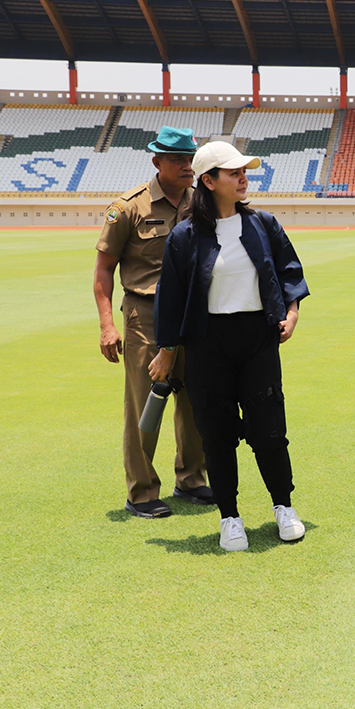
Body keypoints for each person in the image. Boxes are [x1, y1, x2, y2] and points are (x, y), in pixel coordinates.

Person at [151, 141, 309, 553]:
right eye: (233, 172)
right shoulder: (184, 236)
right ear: (209, 180)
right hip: (207, 344)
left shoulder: (263, 223)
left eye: (245, 171)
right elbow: (170, 298)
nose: (244, 177)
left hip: (258, 338)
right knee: (217, 436)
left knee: (270, 431)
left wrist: (291, 311)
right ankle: (230, 517)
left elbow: (290, 271)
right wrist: (167, 350)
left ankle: (283, 506)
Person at [94, 126, 211, 519]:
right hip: (145, 315)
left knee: (196, 401)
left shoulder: (204, 204)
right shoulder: (128, 207)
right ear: (157, 161)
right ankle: (142, 491)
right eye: (178, 159)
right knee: (146, 404)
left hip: (194, 314)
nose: (187, 166)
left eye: (190, 159)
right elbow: (103, 271)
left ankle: (191, 478)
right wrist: (108, 325)